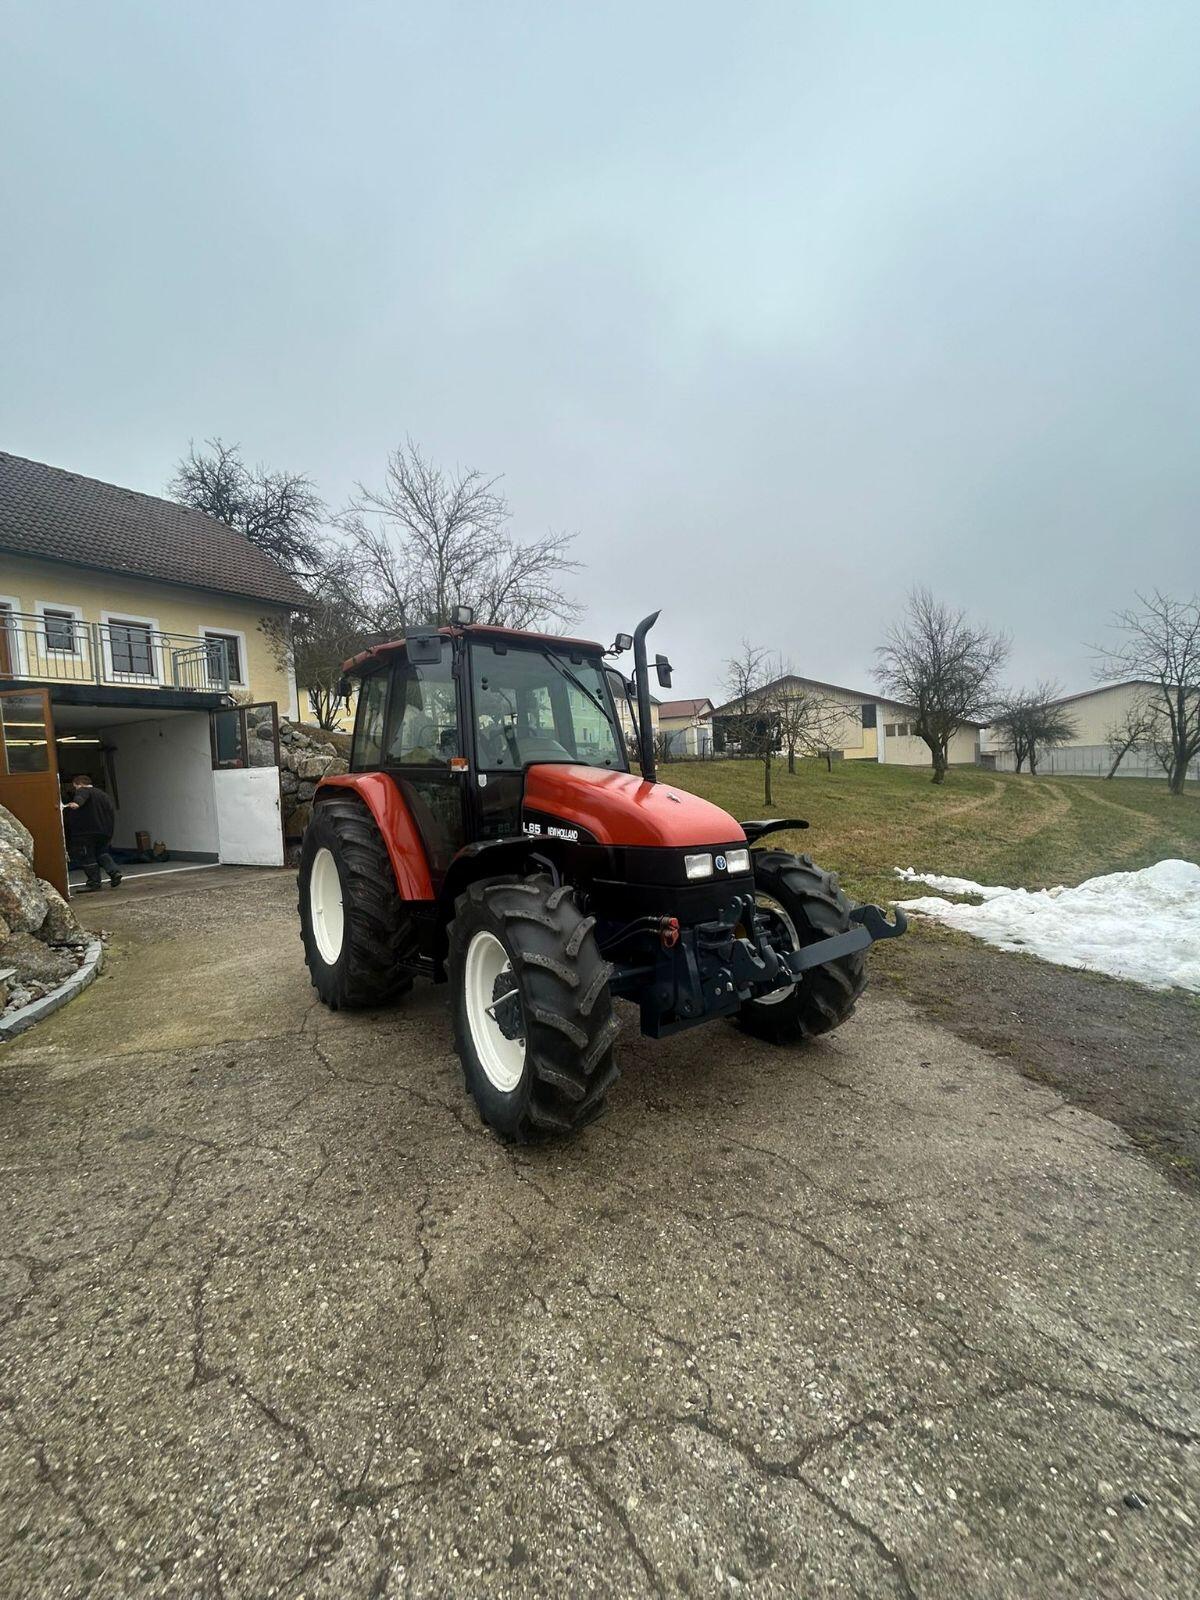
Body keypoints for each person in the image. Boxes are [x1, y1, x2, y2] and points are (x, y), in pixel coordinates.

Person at [63, 774, 122, 891]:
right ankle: (114, 872)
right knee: (101, 853)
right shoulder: (104, 795)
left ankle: (93, 883)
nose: (76, 790)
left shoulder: (83, 790)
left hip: (87, 832)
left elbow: (81, 796)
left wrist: (76, 803)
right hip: (104, 831)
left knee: (87, 856)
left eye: (75, 787)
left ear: (79, 784)